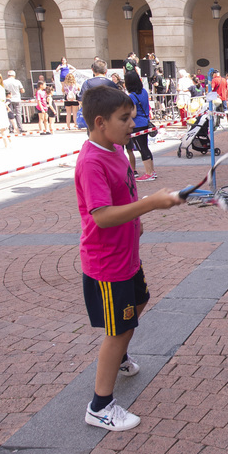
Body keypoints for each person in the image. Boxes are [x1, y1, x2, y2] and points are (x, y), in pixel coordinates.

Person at [75, 84, 181, 432]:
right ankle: (100, 406)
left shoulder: (117, 149)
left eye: (132, 116)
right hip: (107, 264)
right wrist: (150, 204)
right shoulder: (92, 161)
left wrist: (135, 223)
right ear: (101, 122)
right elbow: (102, 215)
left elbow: (124, 194)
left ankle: (118, 358)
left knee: (139, 303)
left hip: (126, 255)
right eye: (125, 118)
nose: (131, 124)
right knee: (119, 328)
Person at [124, 70, 157, 182]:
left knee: (142, 148)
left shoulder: (131, 96)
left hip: (137, 124)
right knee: (146, 147)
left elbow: (133, 113)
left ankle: (149, 173)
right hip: (145, 122)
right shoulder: (143, 92)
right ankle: (152, 171)